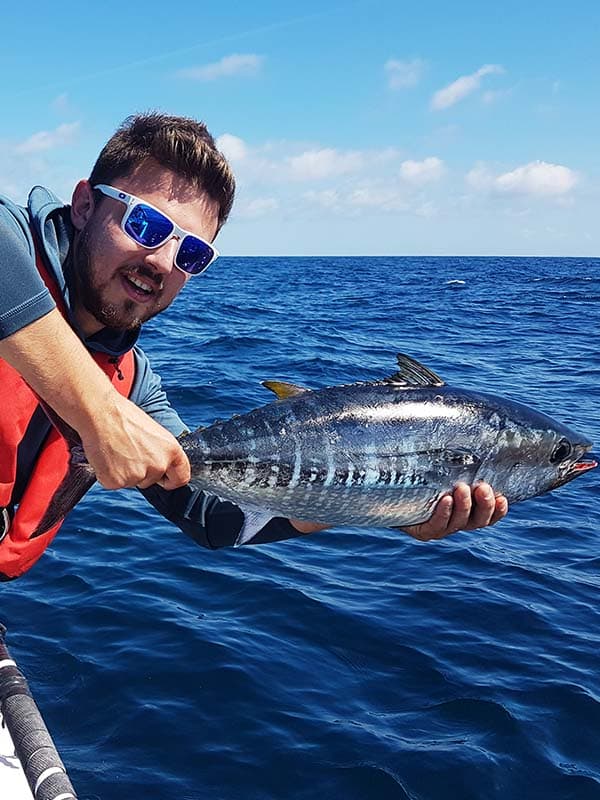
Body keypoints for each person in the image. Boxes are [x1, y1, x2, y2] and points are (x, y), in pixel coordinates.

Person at [0, 112, 508, 581]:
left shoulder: (132, 382)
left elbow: (210, 518)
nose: (162, 261)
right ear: (85, 205)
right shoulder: (16, 246)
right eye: (146, 224)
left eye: (192, 251)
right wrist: (98, 413)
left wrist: (371, 502)